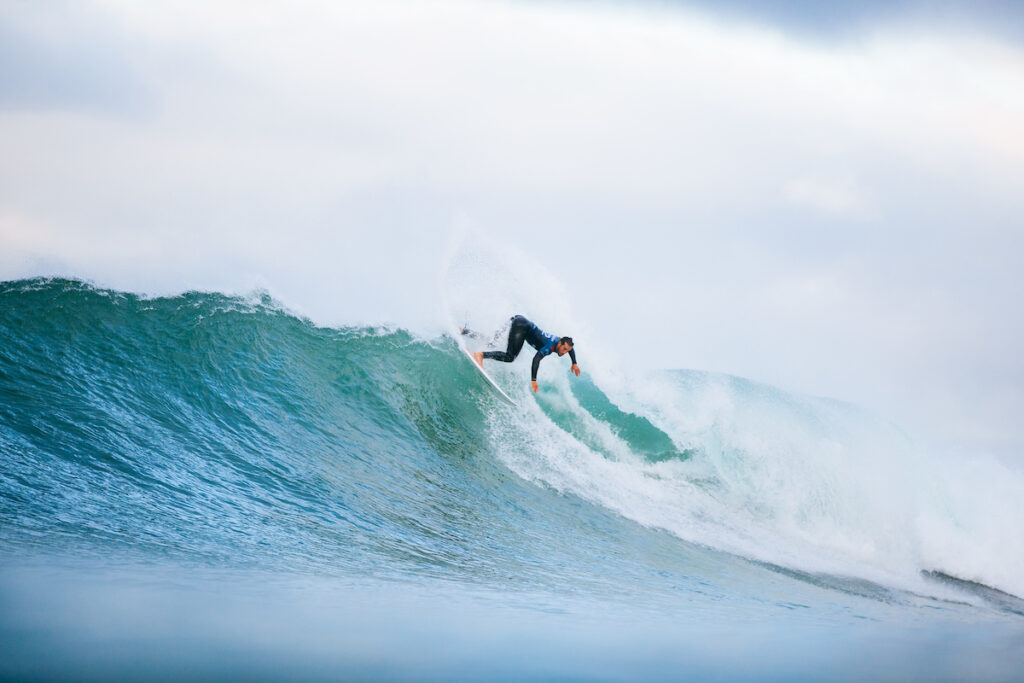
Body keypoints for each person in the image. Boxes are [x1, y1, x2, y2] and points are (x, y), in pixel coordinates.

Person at [463, 315, 580, 393]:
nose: (564, 352)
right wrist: (533, 380)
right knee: (510, 357)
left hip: (518, 319)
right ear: (560, 343)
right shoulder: (549, 346)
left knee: (492, 343)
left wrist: (574, 363)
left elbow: (571, 349)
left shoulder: (561, 342)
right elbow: (536, 359)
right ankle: (480, 355)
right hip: (521, 326)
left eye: (566, 351)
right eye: (564, 349)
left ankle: (464, 331)